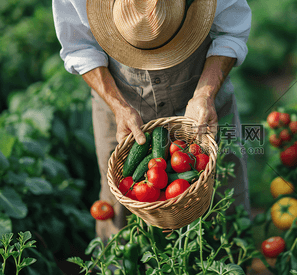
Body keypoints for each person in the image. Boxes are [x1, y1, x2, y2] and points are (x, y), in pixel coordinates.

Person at [53, 0, 252, 242]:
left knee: (223, 194)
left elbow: (231, 31)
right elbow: (79, 47)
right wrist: (118, 106)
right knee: (121, 212)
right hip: (119, 97)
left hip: (201, 91)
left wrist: (204, 95)